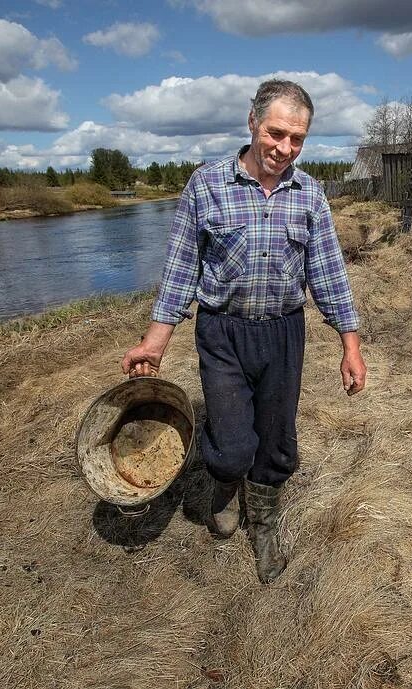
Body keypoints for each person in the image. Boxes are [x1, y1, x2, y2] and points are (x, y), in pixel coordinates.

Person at [121, 79, 366, 584]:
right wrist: (155, 341)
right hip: (222, 335)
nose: (285, 148)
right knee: (232, 445)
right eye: (276, 133)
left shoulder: (311, 195)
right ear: (252, 122)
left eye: (297, 139)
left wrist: (350, 344)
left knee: (276, 441)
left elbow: (328, 273)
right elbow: (180, 268)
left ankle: (266, 523)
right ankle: (226, 484)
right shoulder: (206, 185)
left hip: (282, 336)